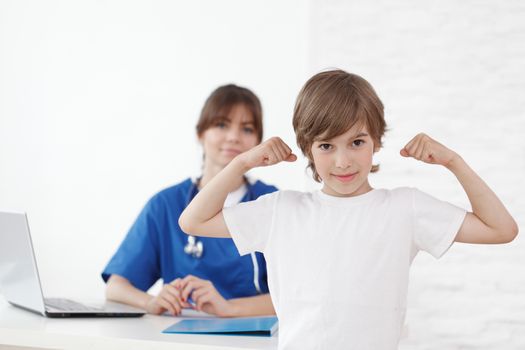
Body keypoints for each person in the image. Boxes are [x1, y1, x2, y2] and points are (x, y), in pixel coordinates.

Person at [178, 69, 519, 349]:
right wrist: (242, 162)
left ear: (377, 141)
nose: (343, 161)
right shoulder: (282, 211)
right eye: (326, 145)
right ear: (308, 149)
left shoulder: (405, 207)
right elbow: (193, 220)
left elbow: (501, 229)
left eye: (357, 142)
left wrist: (453, 162)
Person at [102, 84, 278, 317]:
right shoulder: (166, 205)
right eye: (221, 125)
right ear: (200, 133)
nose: (234, 137)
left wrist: (229, 309)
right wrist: (151, 302)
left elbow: (294, 294)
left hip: (252, 336)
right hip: (179, 336)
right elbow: (116, 286)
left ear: (258, 141)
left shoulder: (271, 203)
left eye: (246, 129)